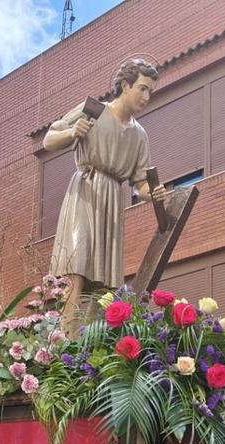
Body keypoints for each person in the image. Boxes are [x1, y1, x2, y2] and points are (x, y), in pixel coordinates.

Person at [44, 57, 169, 308]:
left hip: (112, 200)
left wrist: (152, 193)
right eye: (142, 88)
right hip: (85, 189)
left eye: (150, 91)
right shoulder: (94, 110)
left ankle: (93, 330)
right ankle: (67, 326)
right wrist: (72, 132)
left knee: (104, 280)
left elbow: (141, 183)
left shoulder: (139, 135)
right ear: (125, 85)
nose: (146, 97)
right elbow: (49, 140)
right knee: (76, 263)